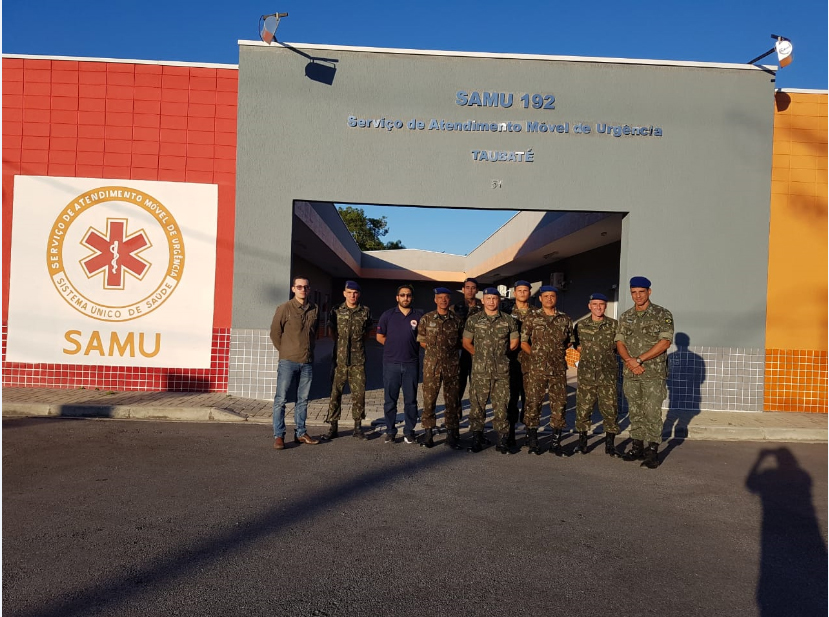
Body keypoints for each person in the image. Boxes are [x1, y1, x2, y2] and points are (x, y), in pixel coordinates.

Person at [615, 276, 673, 469]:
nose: (637, 296)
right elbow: (619, 342)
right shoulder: (625, 316)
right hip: (631, 372)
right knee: (635, 411)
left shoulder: (661, 314)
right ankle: (637, 446)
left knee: (651, 412)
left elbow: (665, 342)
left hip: (653, 373)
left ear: (649, 292)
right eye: (634, 292)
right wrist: (630, 362)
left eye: (641, 292)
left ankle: (652, 451)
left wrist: (639, 360)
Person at [462, 287, 520, 454]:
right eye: (488, 298)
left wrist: (500, 356)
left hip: (501, 371)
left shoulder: (509, 320)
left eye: (494, 298)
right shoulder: (474, 320)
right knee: (477, 406)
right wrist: (480, 356)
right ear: (483, 301)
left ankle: (502, 440)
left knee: (501, 405)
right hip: (480, 371)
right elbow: (466, 343)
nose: (491, 301)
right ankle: (476, 438)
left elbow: (514, 343)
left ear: (499, 300)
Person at [269, 276, 321, 450]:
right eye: (299, 287)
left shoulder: (314, 309)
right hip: (288, 361)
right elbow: (275, 332)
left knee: (303, 400)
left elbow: (314, 333)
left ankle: (301, 433)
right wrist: (285, 351)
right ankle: (279, 435)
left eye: (305, 287)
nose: (303, 290)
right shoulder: (285, 308)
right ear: (293, 289)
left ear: (309, 289)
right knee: (281, 399)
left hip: (307, 361)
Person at [521, 285, 573, 456]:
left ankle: (555, 442)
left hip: (558, 369)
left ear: (556, 298)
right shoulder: (532, 318)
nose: (549, 299)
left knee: (559, 405)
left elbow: (569, 341)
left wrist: (555, 354)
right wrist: (536, 356)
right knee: (533, 403)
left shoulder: (564, 318)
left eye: (552, 296)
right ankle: (533, 440)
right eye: (546, 296)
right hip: (537, 369)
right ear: (541, 299)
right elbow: (524, 342)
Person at [573, 292, 620, 456]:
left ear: (605, 306)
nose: (598, 307)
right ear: (589, 306)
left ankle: (610, 445)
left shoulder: (614, 325)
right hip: (587, 375)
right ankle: (582, 443)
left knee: (610, 410)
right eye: (595, 304)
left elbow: (619, 346)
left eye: (601, 304)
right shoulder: (580, 325)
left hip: (607, 375)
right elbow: (576, 345)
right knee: (583, 410)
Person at [417, 287, 465, 449]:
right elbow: (422, 341)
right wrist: (435, 353)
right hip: (432, 366)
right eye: (440, 297)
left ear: (449, 300)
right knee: (429, 399)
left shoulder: (457, 320)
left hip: (452, 366)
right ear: (435, 300)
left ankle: (451, 434)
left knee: (452, 401)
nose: (443, 300)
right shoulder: (426, 319)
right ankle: (428, 433)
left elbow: (460, 342)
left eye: (446, 297)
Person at [324, 280, 373, 440]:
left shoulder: (365, 311)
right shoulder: (336, 310)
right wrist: (341, 347)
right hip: (339, 360)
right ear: (344, 293)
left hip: (358, 361)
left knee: (358, 395)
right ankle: (333, 426)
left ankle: (358, 428)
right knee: (335, 393)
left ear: (359, 294)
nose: (353, 295)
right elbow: (332, 331)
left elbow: (367, 333)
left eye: (355, 293)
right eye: (349, 292)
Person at [376, 285, 424, 444]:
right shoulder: (387, 315)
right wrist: (392, 348)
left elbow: (423, 339)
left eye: (408, 295)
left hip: (411, 364)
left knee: (410, 401)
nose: (405, 298)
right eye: (402, 295)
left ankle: (409, 431)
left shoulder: (419, 316)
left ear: (412, 297)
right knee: (390, 400)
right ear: (397, 297)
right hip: (391, 364)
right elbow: (379, 336)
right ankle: (390, 431)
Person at [506, 280, 536, 448]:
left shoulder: (537, 313)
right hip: (512, 362)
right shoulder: (506, 312)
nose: (523, 293)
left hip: (531, 363)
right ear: (515, 293)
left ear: (529, 293)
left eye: (526, 290)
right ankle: (510, 433)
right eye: (520, 290)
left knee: (529, 399)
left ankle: (529, 433)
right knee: (511, 398)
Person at [452, 277, 483, 415]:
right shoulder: (455, 308)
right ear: (463, 289)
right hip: (460, 352)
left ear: (477, 290)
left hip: (477, 351)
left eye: (473, 288)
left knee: (477, 387)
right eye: (467, 287)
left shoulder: (483, 307)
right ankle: (456, 416)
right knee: (458, 386)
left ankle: (476, 418)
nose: (470, 290)